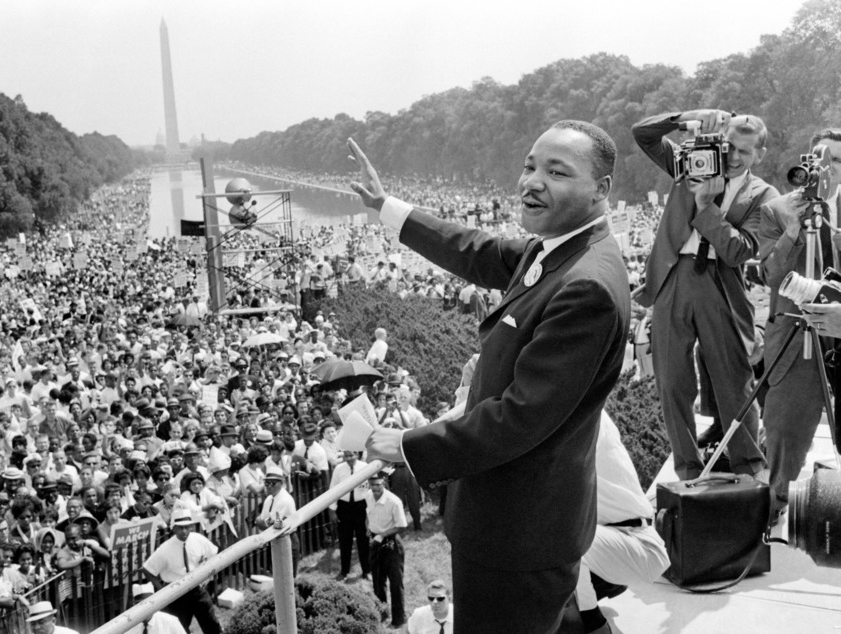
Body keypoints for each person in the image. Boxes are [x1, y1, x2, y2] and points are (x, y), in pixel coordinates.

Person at [350, 119, 629, 634]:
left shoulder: (585, 285)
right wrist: (386, 206)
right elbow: (474, 249)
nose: (533, 181)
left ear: (601, 190)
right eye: (529, 166)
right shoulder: (557, 249)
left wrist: (409, 444)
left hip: (519, 535)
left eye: (557, 171)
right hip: (512, 521)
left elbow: (520, 418)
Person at [632, 109, 776, 480]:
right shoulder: (691, 163)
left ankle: (748, 466)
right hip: (672, 277)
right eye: (728, 146)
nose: (732, 156)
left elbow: (740, 251)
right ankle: (687, 469)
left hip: (721, 283)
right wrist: (687, 116)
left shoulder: (764, 195)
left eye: (744, 151)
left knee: (733, 381)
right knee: (671, 381)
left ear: (759, 155)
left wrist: (705, 207)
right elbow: (643, 134)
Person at [757, 127, 841, 520]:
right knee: (786, 429)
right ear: (810, 161)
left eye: (839, 161)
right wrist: (794, 229)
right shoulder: (777, 209)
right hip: (796, 338)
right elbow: (772, 277)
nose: (830, 169)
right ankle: (774, 508)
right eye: (825, 159)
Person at [575, 411, 670, 634]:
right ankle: (599, 582)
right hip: (616, 535)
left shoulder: (578, 419)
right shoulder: (580, 404)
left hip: (636, 543)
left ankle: (593, 624)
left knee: (561, 537)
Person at [142, 509, 222, 634]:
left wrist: (207, 576)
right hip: (177, 594)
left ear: (191, 526)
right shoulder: (165, 549)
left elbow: (213, 555)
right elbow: (147, 569)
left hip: (197, 589)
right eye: (180, 528)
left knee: (211, 623)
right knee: (180, 628)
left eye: (187, 527)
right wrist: (162, 590)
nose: (184, 531)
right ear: (173, 528)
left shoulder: (199, 540)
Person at [365, 471, 407, 628]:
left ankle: (399, 619)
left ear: (385, 483)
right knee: (377, 581)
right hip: (375, 542)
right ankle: (381, 614)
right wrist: (368, 527)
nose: (374, 489)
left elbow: (401, 525)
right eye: (372, 485)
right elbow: (368, 513)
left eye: (378, 485)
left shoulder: (393, 501)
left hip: (391, 544)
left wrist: (382, 535)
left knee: (395, 583)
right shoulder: (368, 496)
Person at [328, 450, 371, 581]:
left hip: (361, 507)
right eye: (346, 456)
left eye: (351, 455)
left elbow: (369, 490)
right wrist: (333, 510)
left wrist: (369, 512)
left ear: (357, 455)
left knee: (363, 540)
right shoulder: (339, 469)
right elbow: (333, 489)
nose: (349, 458)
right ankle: (344, 570)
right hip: (344, 507)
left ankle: (366, 570)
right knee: (344, 540)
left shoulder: (365, 468)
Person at [254, 466, 299, 574]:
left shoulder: (285, 500)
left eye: (272, 483)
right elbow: (264, 520)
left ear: (281, 483)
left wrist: (260, 522)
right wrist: (262, 522)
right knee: (277, 574)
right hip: (274, 539)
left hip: (288, 540)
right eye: (267, 483)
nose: (269, 486)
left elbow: (266, 524)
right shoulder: (269, 499)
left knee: (288, 575)